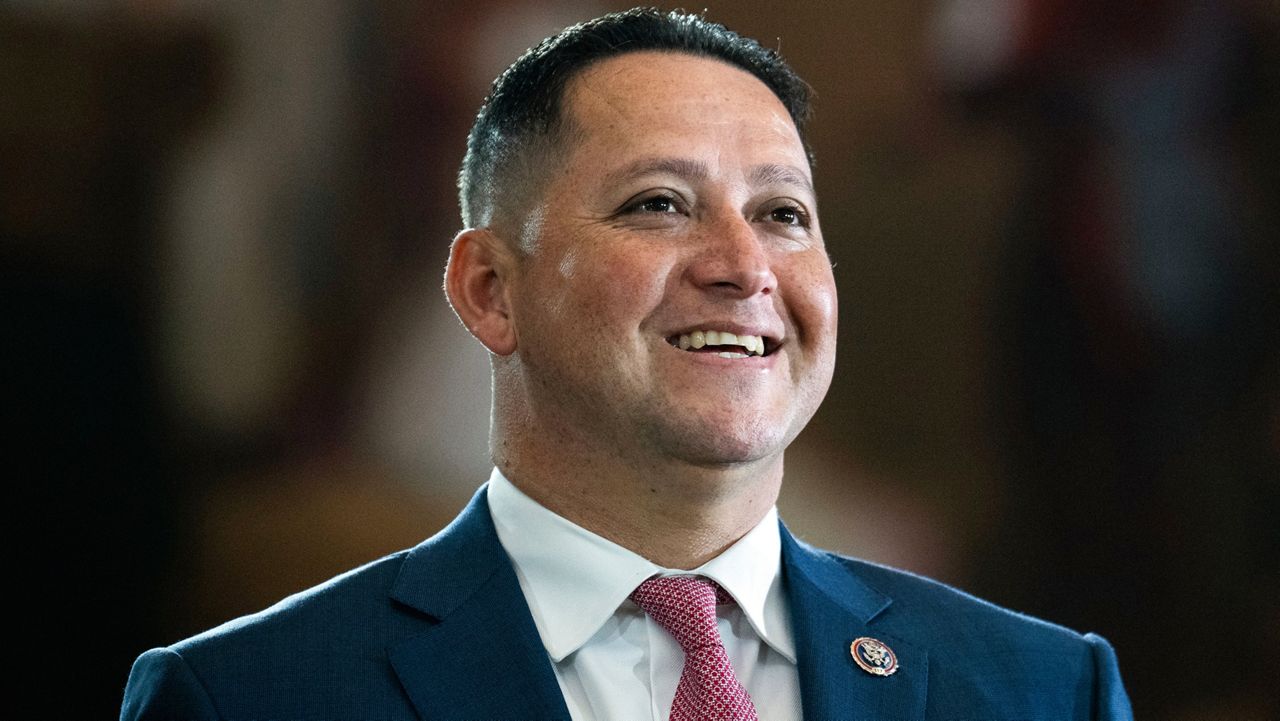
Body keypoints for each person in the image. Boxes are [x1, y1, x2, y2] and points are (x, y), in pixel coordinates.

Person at [121, 8, 1133, 720]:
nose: (743, 266)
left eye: (782, 214)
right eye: (658, 203)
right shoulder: (246, 697)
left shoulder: (1043, 690)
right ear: (486, 289)